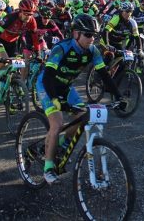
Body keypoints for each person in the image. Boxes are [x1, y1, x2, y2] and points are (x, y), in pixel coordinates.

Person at [35, 14, 124, 184]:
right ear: (76, 33)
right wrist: (54, 99)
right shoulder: (61, 48)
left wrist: (119, 97)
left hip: (66, 87)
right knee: (57, 123)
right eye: (88, 35)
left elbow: (104, 75)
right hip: (47, 86)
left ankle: (60, 142)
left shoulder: (93, 51)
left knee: (83, 115)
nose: (92, 39)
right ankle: (48, 168)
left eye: (94, 35)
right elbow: (47, 77)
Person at [0, 0, 39, 95]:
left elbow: (35, 37)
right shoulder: (10, 18)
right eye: (26, 14)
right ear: (20, 11)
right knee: (4, 60)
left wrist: (38, 53)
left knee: (21, 63)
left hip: (12, 43)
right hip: (0, 40)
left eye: (31, 14)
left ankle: (17, 84)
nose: (28, 17)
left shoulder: (32, 21)